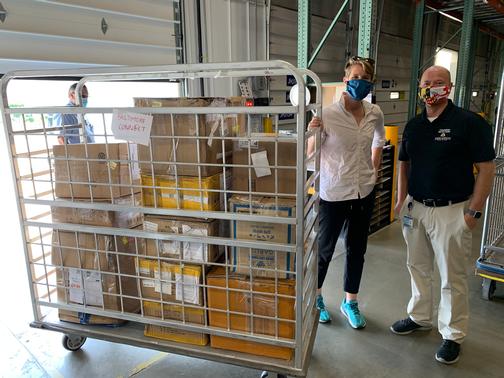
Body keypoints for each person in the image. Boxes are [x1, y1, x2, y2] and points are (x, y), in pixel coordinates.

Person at [390, 65, 496, 364]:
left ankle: (452, 333)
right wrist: (401, 201)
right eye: (427, 83)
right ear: (420, 87)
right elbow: (404, 165)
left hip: (452, 210)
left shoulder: (469, 123)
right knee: (417, 267)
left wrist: (473, 211)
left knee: (452, 276)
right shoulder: (414, 125)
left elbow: (487, 168)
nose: (432, 88)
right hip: (417, 208)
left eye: (439, 83)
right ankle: (419, 316)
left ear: (449, 87)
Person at [307, 56, 385, 328]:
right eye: (355, 78)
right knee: (325, 249)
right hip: (334, 192)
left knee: (357, 250)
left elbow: (379, 138)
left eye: (365, 79)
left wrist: (373, 170)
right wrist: (312, 133)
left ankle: (350, 301)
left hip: (363, 190)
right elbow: (310, 157)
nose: (359, 83)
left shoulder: (374, 112)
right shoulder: (326, 114)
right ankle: (315, 297)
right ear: (345, 80)